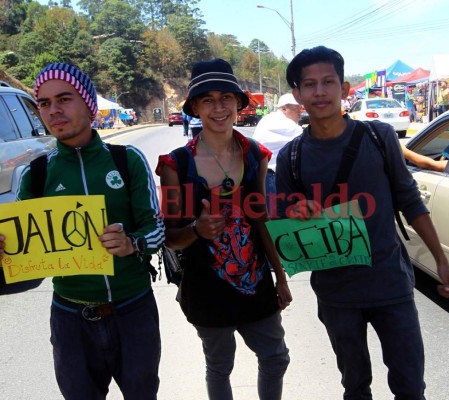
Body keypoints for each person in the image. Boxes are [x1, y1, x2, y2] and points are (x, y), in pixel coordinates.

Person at [276, 46, 449, 400]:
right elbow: (284, 218)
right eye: (309, 85)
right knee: (355, 386)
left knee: (410, 386)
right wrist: (296, 210)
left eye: (328, 82)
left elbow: (409, 200)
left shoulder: (379, 137)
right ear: (297, 94)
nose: (319, 92)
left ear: (344, 88)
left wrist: (441, 259)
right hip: (335, 293)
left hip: (390, 284)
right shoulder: (291, 157)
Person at [0, 63, 165, 399]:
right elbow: (21, 249)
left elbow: (157, 229)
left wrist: (132, 243)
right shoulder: (36, 173)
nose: (54, 110)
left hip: (133, 309)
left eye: (64, 99)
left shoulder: (126, 160)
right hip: (70, 317)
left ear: (89, 104)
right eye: (44, 103)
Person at [156, 58, 291, 400]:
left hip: (256, 282)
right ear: (195, 108)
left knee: (275, 357)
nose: (219, 107)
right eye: (208, 99)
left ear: (238, 104)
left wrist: (280, 275)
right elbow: (169, 240)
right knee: (219, 366)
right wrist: (198, 230)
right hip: (204, 287)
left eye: (226, 98)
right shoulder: (177, 164)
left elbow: (259, 217)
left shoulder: (254, 155)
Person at [253, 92, 303, 211]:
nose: (300, 112)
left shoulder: (268, 118)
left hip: (263, 173)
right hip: (272, 176)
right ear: (284, 108)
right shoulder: (287, 125)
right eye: (296, 108)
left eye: (300, 108)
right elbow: (305, 137)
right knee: (276, 214)